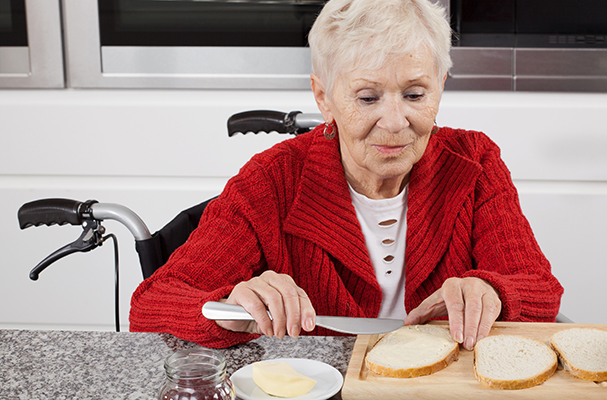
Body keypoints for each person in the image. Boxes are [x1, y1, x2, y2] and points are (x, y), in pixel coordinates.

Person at [129, 0, 563, 350]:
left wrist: (494, 291)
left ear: (441, 85)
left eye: (415, 93)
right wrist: (229, 307)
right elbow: (151, 306)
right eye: (368, 97)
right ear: (324, 97)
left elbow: (539, 289)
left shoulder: (474, 161)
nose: (395, 122)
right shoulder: (271, 180)